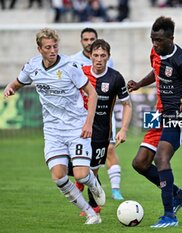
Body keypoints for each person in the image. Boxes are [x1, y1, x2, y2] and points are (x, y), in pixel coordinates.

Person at [3, 28, 104, 224]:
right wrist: (10, 88)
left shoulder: (69, 66)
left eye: (55, 46)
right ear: (39, 48)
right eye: (48, 47)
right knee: (58, 177)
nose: (52, 50)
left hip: (76, 127)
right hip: (53, 130)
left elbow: (92, 93)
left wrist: (88, 123)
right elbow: (17, 82)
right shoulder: (32, 66)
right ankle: (91, 213)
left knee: (82, 175)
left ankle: (94, 184)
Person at [127, 16, 182, 228]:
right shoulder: (155, 52)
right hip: (161, 115)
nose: (155, 45)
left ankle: (169, 216)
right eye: (152, 40)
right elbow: (157, 72)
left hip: (181, 116)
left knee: (161, 157)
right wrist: (139, 83)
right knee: (139, 163)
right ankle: (179, 194)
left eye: (159, 41)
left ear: (171, 39)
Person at [78, 39, 132, 216]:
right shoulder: (81, 73)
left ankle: (93, 207)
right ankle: (81, 183)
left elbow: (127, 105)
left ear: (108, 57)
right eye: (95, 55)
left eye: (103, 56)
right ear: (90, 56)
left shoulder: (115, 77)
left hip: (101, 132)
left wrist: (123, 129)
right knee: (73, 168)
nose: (99, 59)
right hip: (77, 129)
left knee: (92, 172)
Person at [71, 27, 124, 201]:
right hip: (81, 120)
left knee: (108, 151)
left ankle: (114, 190)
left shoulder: (111, 67)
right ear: (81, 42)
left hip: (104, 119)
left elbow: (111, 85)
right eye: (85, 39)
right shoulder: (74, 62)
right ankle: (82, 180)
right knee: (75, 163)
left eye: (91, 39)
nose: (89, 42)